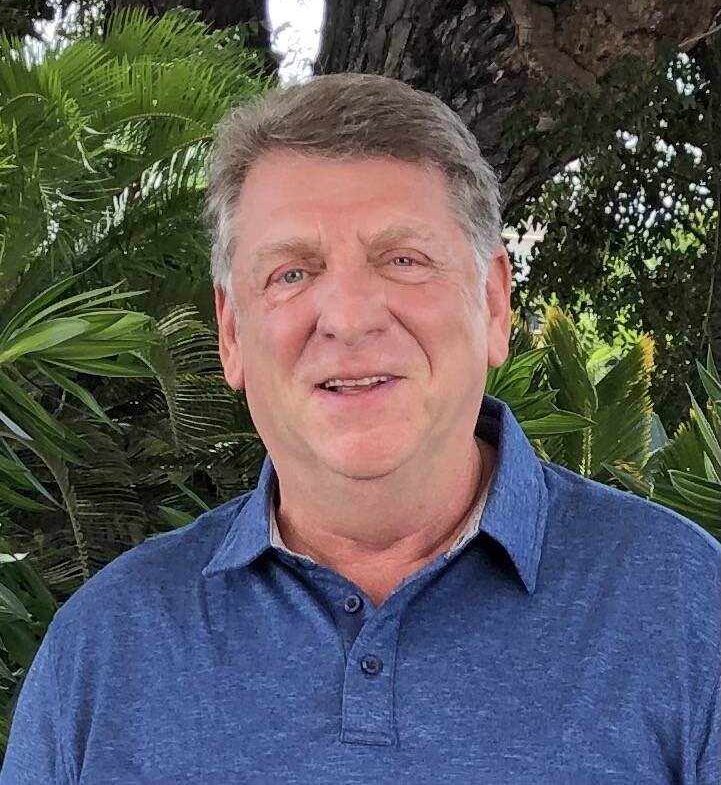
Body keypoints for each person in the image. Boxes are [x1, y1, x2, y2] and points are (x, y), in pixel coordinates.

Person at [1, 73, 718, 785]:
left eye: (403, 260)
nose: (347, 319)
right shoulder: (102, 650)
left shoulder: (688, 608)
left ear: (494, 304)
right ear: (231, 334)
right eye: (291, 273)